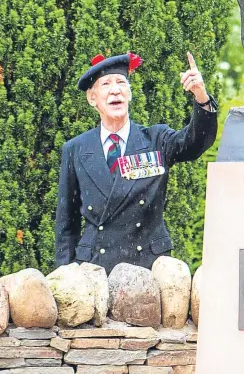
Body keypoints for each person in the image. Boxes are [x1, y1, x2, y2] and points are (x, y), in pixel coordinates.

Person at [55, 51, 217, 274]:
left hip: (147, 266)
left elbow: (194, 143)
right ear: (92, 99)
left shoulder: (156, 139)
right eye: (106, 84)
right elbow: (66, 222)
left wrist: (201, 96)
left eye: (121, 82)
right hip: (94, 269)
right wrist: (66, 275)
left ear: (129, 94)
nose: (115, 89)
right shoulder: (76, 149)